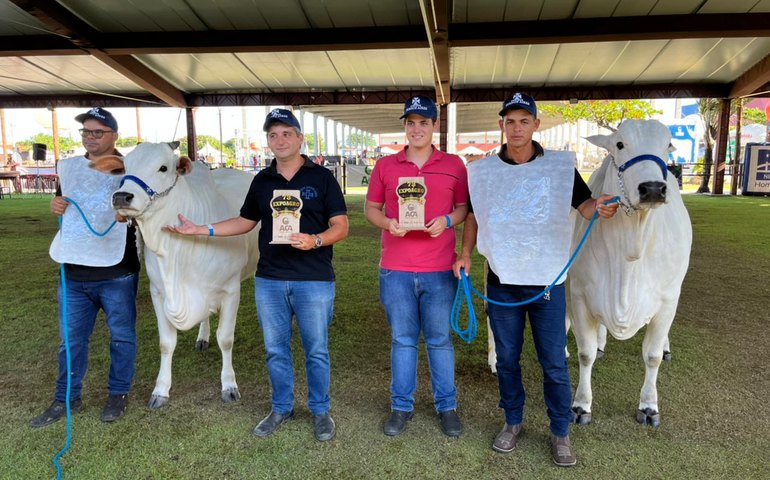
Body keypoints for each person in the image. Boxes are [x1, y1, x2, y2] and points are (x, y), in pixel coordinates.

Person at [452, 93, 618, 466]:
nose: (516, 127)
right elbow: (475, 216)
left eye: (524, 120)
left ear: (536, 125)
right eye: (510, 121)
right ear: (501, 125)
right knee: (507, 358)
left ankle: (560, 431)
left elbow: (584, 205)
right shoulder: (484, 172)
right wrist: (464, 254)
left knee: (553, 362)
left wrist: (600, 207)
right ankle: (513, 422)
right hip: (502, 279)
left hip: (547, 281)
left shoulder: (559, 169)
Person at [165, 108, 348, 442]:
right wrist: (200, 229)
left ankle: (320, 411)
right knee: (275, 349)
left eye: (286, 133)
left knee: (316, 350)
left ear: (299, 138)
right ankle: (281, 407)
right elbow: (244, 222)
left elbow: (341, 225)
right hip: (270, 280)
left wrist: (316, 240)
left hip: (314, 279)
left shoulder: (322, 178)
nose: (279, 140)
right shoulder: (262, 181)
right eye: (273, 135)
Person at [365, 95, 468, 437]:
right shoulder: (385, 165)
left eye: (424, 122)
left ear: (435, 125)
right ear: (405, 127)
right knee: (403, 340)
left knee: (439, 340)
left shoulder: (454, 164)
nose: (417, 128)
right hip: (395, 268)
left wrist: (446, 221)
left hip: (439, 269)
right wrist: (387, 223)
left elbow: (463, 209)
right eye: (411, 123)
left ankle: (447, 407)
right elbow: (372, 209)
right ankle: (401, 407)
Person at [32, 107, 140, 428]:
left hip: (117, 271)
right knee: (71, 340)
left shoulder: (131, 169)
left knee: (121, 336)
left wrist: (129, 215)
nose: (91, 138)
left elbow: (146, 208)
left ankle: (118, 395)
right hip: (73, 271)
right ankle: (66, 397)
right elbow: (64, 202)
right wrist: (56, 204)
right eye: (86, 132)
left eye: (98, 132)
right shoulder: (69, 169)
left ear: (113, 136)